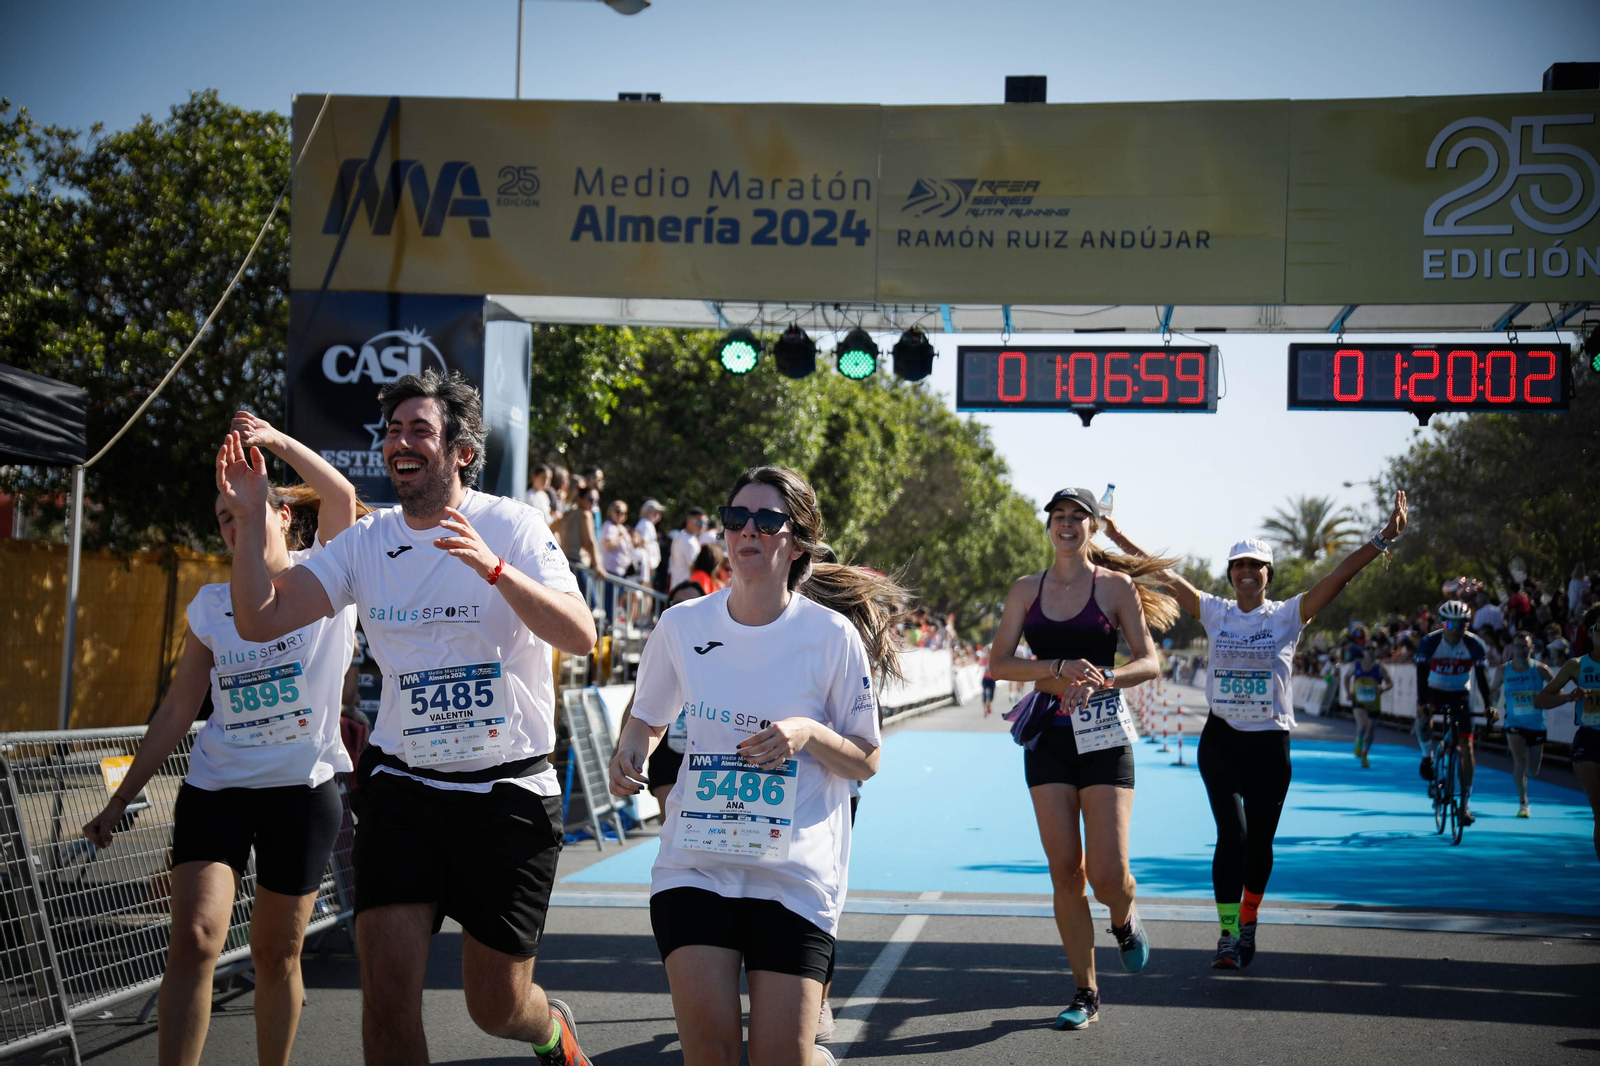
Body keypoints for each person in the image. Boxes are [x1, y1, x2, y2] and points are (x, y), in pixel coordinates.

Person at [219, 370, 599, 1066]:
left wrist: (494, 570)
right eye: (393, 430)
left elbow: (580, 633)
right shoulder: (368, 541)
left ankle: (551, 1032)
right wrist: (248, 522)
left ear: (461, 452)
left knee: (496, 1005)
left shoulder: (511, 525)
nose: (401, 441)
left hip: (506, 793)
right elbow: (259, 618)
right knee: (388, 998)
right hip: (404, 791)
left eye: (420, 430)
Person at [83, 411, 362, 1066]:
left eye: (245, 511)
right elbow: (176, 711)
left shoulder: (326, 576)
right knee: (195, 937)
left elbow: (343, 497)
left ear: (284, 518)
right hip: (218, 788)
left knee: (276, 952)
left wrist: (277, 442)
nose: (233, 525)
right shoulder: (211, 606)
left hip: (302, 792)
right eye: (224, 518)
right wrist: (120, 800)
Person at [608, 466, 907, 1066]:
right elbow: (647, 717)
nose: (748, 530)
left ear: (796, 543)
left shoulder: (832, 636)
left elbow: (867, 758)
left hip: (791, 875)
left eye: (767, 520)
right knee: (710, 1056)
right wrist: (631, 748)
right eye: (736, 518)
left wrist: (808, 733)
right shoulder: (682, 624)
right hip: (696, 864)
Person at [1113, 491, 1407, 970]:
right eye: (1239, 566)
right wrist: (1116, 534)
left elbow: (1339, 576)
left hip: (1270, 745)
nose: (1247, 572)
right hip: (1222, 741)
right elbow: (1162, 574)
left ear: (1269, 575)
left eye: (1256, 566)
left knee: (1260, 844)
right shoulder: (1214, 611)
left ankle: (1248, 919)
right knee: (1232, 835)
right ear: (1230, 575)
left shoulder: (1289, 615)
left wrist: (1382, 539)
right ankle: (1228, 934)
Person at [988, 488, 1173, 1029]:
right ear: (1049, 526)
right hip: (1048, 738)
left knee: (1109, 877)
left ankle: (1124, 916)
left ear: (1092, 528)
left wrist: (1105, 677)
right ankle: (1085, 992)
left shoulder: (1114, 587)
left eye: (1078, 517)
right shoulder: (1025, 589)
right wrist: (1057, 667)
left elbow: (1150, 661)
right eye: (1059, 516)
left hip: (1104, 736)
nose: (1067, 524)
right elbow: (999, 663)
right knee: (1066, 872)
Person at [1415, 599, 1494, 826]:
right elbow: (1421, 675)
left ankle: (1465, 804)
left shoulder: (1475, 644)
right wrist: (1423, 704)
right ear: (1443, 624)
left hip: (1460, 693)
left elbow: (1483, 679)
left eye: (1462, 624)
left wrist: (1488, 706)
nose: (1456, 630)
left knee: (1466, 747)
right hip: (1434, 690)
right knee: (1423, 717)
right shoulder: (1429, 642)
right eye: (1451, 624)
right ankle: (1426, 756)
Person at [1535, 604, 1600, 860]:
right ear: (1590, 633)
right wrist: (1570, 696)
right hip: (1589, 740)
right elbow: (1541, 699)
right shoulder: (1577, 665)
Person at [1499, 630, 1554, 817]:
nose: (1521, 650)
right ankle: (1523, 802)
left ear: (1532, 648)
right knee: (1520, 761)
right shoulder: (1503, 670)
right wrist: (1492, 705)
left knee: (1532, 771)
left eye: (1525, 647)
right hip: (1514, 722)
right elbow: (1492, 690)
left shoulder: (1541, 669)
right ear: (1512, 648)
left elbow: (1558, 687)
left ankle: (1525, 788)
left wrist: (1551, 698)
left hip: (1536, 724)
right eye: (1517, 647)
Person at [1344, 641, 1391, 768]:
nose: (1370, 651)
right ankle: (1359, 742)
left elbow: (1390, 683)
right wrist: (1348, 692)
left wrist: (1383, 688)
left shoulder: (1380, 668)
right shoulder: (1356, 665)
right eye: (1368, 648)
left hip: (1374, 703)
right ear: (1363, 651)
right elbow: (1346, 677)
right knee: (1363, 725)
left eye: (1373, 649)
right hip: (1359, 701)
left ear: (1377, 651)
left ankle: (1365, 753)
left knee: (1370, 731)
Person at [599, 499, 634, 625]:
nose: (621, 515)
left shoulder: (620, 527)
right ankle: (609, 624)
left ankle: (611, 623)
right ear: (611, 512)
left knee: (617, 600)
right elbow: (608, 546)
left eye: (624, 513)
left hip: (622, 570)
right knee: (611, 600)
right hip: (612, 570)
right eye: (618, 512)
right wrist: (621, 537)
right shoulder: (609, 526)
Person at [670, 508, 707, 590]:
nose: (702, 526)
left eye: (705, 523)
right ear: (689, 522)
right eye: (699, 522)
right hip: (685, 588)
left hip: (679, 586)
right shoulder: (688, 541)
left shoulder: (682, 536)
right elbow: (694, 567)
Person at [980, 644, 996, 718]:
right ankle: (985, 710)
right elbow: (979, 664)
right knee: (985, 694)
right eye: (988, 652)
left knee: (991, 695)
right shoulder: (984, 659)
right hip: (985, 679)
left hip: (992, 679)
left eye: (990, 652)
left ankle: (989, 705)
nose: (989, 653)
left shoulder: (994, 660)